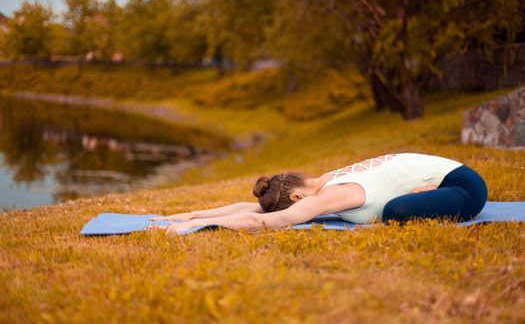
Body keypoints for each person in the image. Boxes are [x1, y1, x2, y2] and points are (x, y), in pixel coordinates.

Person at [150, 153, 488, 235]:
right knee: (396, 207)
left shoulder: (331, 195)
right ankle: (427, 194)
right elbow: (253, 208)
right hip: (446, 169)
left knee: (396, 212)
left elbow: (269, 221)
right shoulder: (324, 181)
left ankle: (432, 194)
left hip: (466, 187)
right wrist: (191, 215)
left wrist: (190, 229)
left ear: (298, 198)